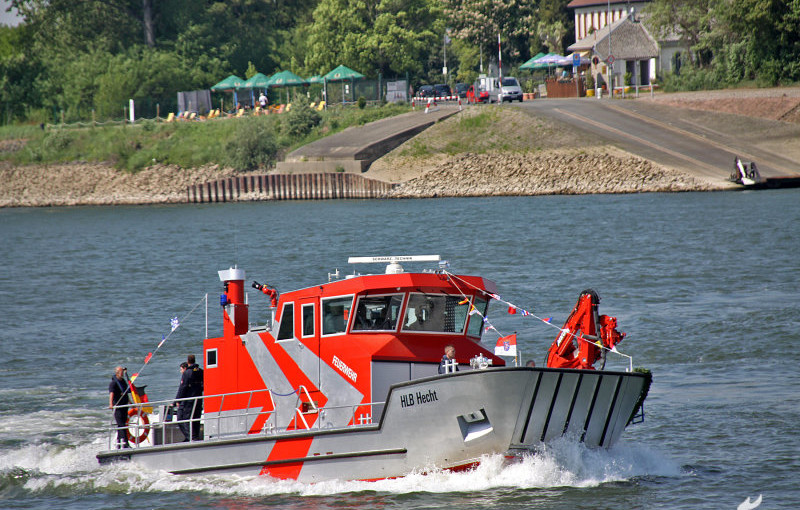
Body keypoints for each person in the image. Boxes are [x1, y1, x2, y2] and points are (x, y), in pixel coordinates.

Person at [175, 354, 203, 441]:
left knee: (186, 419)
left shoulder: (187, 372)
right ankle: (195, 436)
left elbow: (183, 387)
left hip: (189, 400)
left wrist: (177, 399)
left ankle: (191, 437)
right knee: (196, 419)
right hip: (199, 399)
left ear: (188, 362)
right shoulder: (201, 371)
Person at [108, 366, 131, 449]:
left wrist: (130, 402)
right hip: (118, 407)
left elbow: (126, 393)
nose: (123, 373)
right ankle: (125, 444)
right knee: (121, 424)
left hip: (125, 406)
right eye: (121, 372)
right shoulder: (113, 383)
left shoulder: (123, 382)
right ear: (117, 373)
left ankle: (119, 443)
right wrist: (111, 404)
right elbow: (111, 393)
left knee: (123, 424)